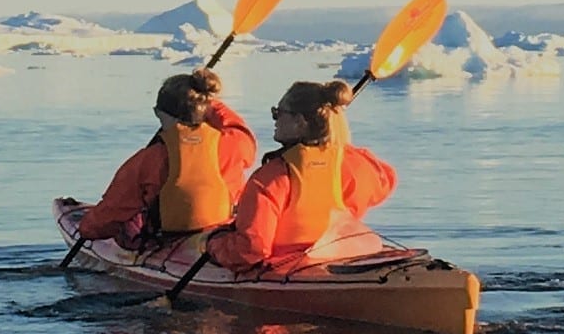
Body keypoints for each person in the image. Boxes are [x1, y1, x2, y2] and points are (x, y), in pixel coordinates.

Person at [215, 78, 397, 272]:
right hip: (341, 257)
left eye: (278, 113)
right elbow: (386, 181)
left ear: (299, 122)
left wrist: (213, 244)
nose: (275, 121)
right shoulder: (358, 162)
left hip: (286, 270)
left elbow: (250, 251)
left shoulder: (270, 178)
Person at [78, 66, 258, 248]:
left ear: (159, 112)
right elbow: (236, 125)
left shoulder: (148, 159)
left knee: (132, 220)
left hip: (169, 241)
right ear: (205, 108)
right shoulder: (236, 143)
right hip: (221, 235)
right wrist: (211, 103)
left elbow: (110, 213)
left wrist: (86, 229)